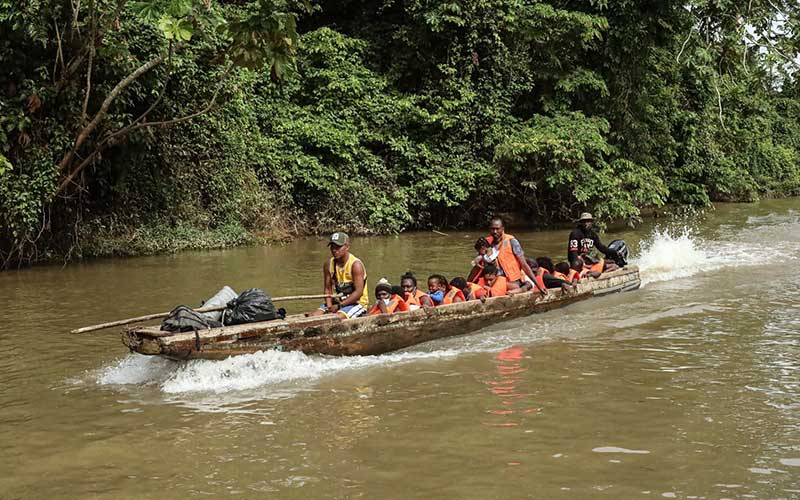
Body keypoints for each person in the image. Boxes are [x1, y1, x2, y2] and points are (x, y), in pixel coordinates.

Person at [309, 232, 369, 318]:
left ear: (347, 247)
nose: (334, 250)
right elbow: (327, 289)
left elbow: (358, 293)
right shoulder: (328, 264)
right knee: (314, 316)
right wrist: (329, 307)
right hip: (338, 301)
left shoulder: (355, 265)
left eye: (338, 247)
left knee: (336, 318)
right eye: (332, 247)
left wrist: (339, 306)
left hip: (356, 303)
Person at [487, 217, 539, 292]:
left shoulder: (512, 241)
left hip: (513, 281)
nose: (495, 231)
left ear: (502, 229)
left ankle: (522, 288)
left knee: (515, 286)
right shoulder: (486, 243)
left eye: (497, 229)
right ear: (489, 229)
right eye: (492, 229)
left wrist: (538, 286)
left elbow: (524, 265)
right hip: (494, 280)